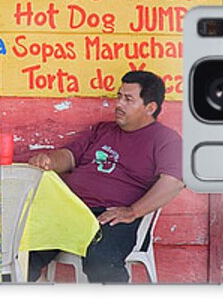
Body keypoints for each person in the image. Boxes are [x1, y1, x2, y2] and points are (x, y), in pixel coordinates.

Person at [27, 70, 184, 283]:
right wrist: (50, 161)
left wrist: (132, 211)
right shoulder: (103, 130)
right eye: (119, 96)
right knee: (25, 248)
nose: (119, 104)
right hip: (73, 210)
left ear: (150, 108)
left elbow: (173, 182)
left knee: (101, 260)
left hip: (114, 217)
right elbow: (70, 156)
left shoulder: (165, 139)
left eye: (128, 99)